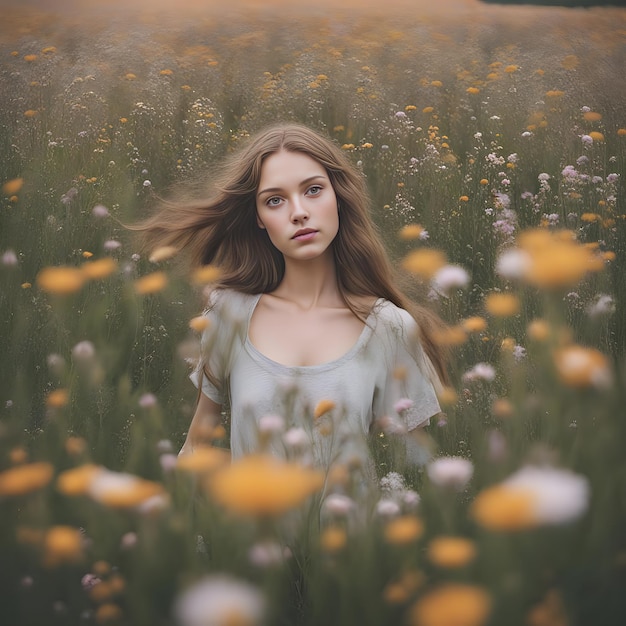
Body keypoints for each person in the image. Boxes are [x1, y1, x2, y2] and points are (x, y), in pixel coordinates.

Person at [132, 123, 447, 484]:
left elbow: (412, 473)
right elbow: (195, 450)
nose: (298, 212)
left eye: (313, 190)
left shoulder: (389, 327)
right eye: (275, 200)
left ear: (338, 197)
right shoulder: (229, 314)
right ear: (259, 220)